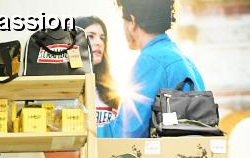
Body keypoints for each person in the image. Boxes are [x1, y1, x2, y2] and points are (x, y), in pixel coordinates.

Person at [98, 0, 205, 138]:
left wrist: (88, 133)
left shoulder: (151, 60)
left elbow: (127, 131)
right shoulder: (183, 59)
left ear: (132, 22)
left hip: (171, 151)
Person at [76, 16, 120, 134]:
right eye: (91, 36)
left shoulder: (114, 90)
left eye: (102, 38)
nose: (99, 43)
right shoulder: (65, 89)